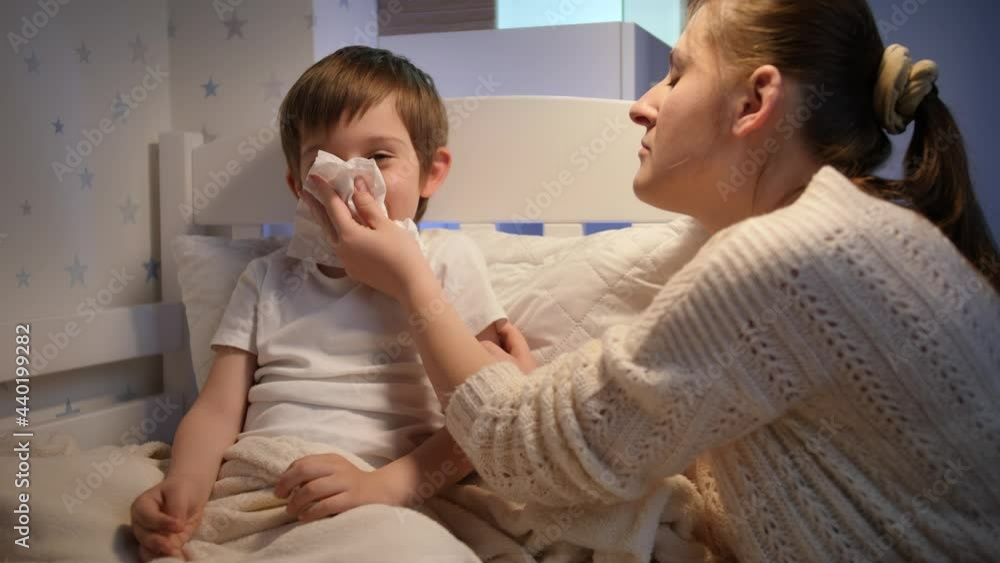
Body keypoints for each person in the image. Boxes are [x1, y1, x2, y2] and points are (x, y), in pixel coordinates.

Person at [307, 1, 1000, 561]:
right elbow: (664, 411)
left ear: (754, 101)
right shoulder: (855, 235)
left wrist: (412, 282)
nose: (641, 105)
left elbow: (522, 449)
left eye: (675, 73)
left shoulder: (789, 257)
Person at [129, 46, 506, 561]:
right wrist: (185, 485)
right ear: (298, 186)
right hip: (263, 481)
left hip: (389, 493)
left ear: (431, 172)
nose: (352, 180)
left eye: (379, 157)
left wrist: (384, 485)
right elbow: (217, 409)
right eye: (324, 164)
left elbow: (483, 417)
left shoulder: (445, 262)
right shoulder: (266, 278)